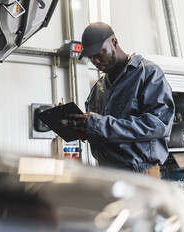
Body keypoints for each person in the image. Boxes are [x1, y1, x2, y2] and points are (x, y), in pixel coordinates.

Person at [67, 22, 175, 178]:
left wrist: (97, 124)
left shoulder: (147, 73)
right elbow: (101, 129)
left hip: (139, 172)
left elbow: (158, 125)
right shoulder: (97, 89)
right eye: (91, 57)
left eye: (98, 53)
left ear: (114, 42)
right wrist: (82, 127)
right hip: (107, 172)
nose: (95, 61)